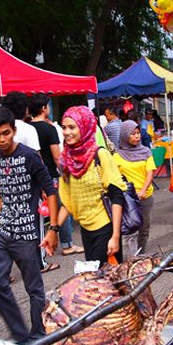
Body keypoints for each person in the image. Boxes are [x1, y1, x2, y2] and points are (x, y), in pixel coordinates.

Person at [0, 107, 59, 344]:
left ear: (14, 131)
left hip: (27, 231)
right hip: (3, 229)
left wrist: (53, 229)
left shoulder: (29, 156)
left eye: (6, 133)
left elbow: (50, 190)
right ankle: (20, 334)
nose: (2, 139)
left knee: (33, 288)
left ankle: (38, 335)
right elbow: (0, 195)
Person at [57, 106, 126, 265]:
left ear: (85, 127)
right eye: (64, 127)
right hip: (86, 229)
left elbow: (117, 197)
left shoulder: (100, 155)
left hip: (105, 228)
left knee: (104, 281)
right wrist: (53, 230)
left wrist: (115, 236)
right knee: (98, 282)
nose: (67, 132)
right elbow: (67, 202)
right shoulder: (67, 160)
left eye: (72, 127)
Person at [29, 94, 84, 257]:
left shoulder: (27, 128)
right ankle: (67, 245)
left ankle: (40, 247)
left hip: (33, 177)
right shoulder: (49, 129)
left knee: (38, 212)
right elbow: (56, 156)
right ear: (43, 108)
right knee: (62, 207)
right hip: (51, 175)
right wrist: (65, 172)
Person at [113, 119, 156, 257]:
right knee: (131, 229)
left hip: (146, 195)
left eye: (138, 133)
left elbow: (150, 173)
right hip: (128, 198)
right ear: (125, 136)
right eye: (133, 134)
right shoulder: (117, 156)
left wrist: (143, 190)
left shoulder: (146, 151)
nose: (137, 136)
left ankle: (141, 253)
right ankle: (133, 258)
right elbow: (115, 177)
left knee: (144, 228)